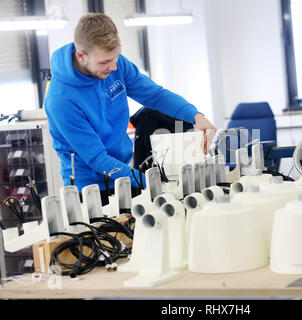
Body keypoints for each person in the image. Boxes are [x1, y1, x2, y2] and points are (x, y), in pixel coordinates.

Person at [44, 13, 216, 204]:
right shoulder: (61, 100)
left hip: (124, 170)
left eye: (115, 57)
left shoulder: (115, 65)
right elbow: (97, 159)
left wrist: (195, 115)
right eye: (105, 62)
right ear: (81, 56)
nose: (114, 67)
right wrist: (149, 181)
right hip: (90, 189)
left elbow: (155, 95)